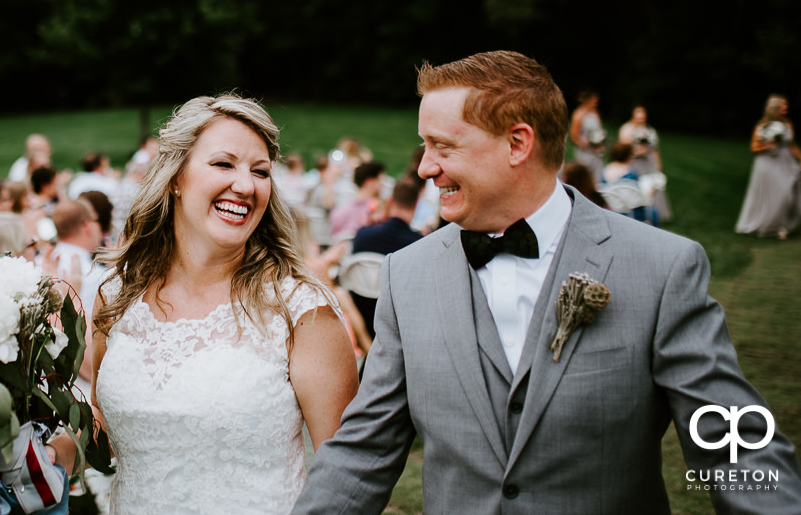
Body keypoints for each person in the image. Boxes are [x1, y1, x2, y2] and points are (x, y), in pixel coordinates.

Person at [292, 50, 801, 515]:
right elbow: (366, 446)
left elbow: (732, 444)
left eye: (442, 146)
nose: (426, 167)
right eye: (424, 147)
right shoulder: (409, 274)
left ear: (518, 143)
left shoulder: (661, 267)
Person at [92, 94, 359, 515]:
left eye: (260, 172)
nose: (246, 185)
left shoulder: (301, 310)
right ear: (175, 177)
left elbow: (347, 478)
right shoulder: (117, 295)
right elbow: (101, 425)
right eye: (223, 164)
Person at [348, 177, 423, 337]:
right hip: (396, 323)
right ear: (416, 205)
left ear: (391, 201)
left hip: (359, 316)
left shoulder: (363, 234)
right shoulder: (418, 244)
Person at [735, 94, 801, 239]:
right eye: (783, 105)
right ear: (775, 108)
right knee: (775, 195)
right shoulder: (761, 126)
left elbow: (792, 146)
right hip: (767, 164)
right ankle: (773, 226)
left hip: (786, 163)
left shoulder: (788, 124)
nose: (786, 108)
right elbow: (753, 148)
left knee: (787, 194)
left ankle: (783, 224)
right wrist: (768, 145)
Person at [617, 105, 672, 221]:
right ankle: (638, 213)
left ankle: (656, 214)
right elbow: (623, 149)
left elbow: (655, 149)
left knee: (654, 185)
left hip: (649, 162)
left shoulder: (650, 130)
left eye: (642, 118)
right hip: (635, 163)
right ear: (633, 117)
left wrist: (658, 165)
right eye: (638, 117)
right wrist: (637, 152)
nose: (641, 120)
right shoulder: (627, 129)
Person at [568, 89, 605, 186]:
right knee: (583, 178)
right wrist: (585, 145)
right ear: (587, 100)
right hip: (584, 152)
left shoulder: (596, 113)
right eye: (594, 101)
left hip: (596, 151)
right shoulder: (578, 114)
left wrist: (600, 142)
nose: (595, 103)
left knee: (597, 178)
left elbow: (598, 130)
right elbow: (574, 136)